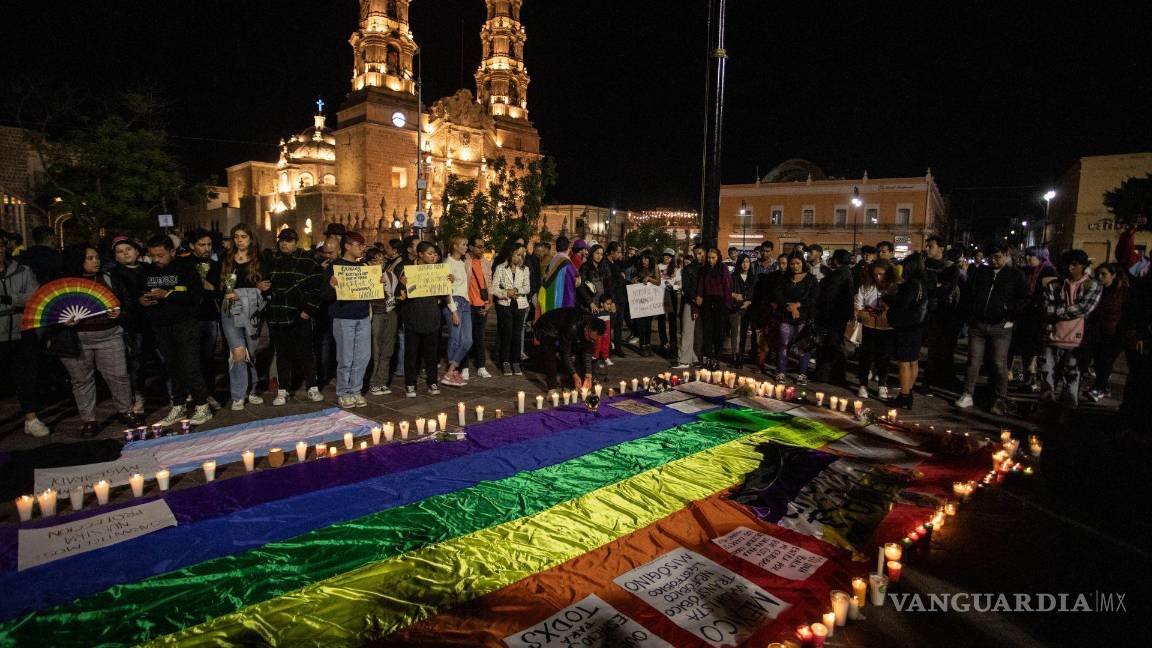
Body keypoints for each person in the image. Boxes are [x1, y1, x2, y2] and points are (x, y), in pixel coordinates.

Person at [58, 244, 139, 436]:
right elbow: (53, 313)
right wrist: (64, 321)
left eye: (97, 257)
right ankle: (89, 419)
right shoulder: (65, 284)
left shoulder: (109, 278)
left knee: (119, 376)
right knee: (81, 380)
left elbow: (128, 305)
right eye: (90, 258)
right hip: (76, 339)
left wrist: (120, 313)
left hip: (110, 335)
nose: (96, 261)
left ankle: (126, 411)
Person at [141, 235, 213, 427]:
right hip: (161, 326)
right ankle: (178, 405)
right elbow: (140, 293)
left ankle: (202, 406)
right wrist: (143, 300)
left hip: (185, 324)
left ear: (172, 252)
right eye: (152, 256)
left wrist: (169, 294)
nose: (156, 259)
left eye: (160, 255)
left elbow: (195, 294)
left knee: (191, 366)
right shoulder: (147, 271)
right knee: (172, 368)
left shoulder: (185, 268)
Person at [954, 244, 1029, 414]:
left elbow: (1023, 299)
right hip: (978, 324)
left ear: (1006, 255)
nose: (994, 261)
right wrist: (971, 312)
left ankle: (1000, 398)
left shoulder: (1015, 275)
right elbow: (969, 294)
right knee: (973, 361)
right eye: (991, 258)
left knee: (999, 363)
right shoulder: (981, 273)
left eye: (998, 257)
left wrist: (1008, 311)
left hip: (1001, 326)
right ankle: (967, 393)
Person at [264, 228, 325, 405]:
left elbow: (316, 287)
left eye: (289, 240)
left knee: (306, 352)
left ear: (295, 242)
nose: (284, 243)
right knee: (282, 354)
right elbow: (264, 283)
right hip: (277, 314)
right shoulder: (272, 260)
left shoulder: (307, 260)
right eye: (282, 240)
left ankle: (312, 387)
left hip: (300, 315)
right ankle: (283, 390)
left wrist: (307, 311)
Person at [1038, 249, 1101, 411]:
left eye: (1075, 265)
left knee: (1072, 378)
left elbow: (1084, 309)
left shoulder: (1092, 285)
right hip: (1052, 336)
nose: (1070, 268)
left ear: (1083, 266)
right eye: (1068, 264)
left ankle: (1068, 412)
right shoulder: (1055, 285)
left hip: (1077, 340)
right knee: (1046, 376)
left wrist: (1060, 310)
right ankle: (1046, 408)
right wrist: (1064, 311)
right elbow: (1047, 309)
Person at [1, 231, 49, 437]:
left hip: (23, 331)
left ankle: (31, 419)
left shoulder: (23, 270)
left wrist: (10, 299)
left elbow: (34, 296)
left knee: (27, 377)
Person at [217, 224, 268, 410]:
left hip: (251, 311)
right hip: (229, 311)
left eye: (244, 236)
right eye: (236, 236)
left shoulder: (259, 260)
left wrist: (241, 293)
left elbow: (264, 287)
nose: (239, 240)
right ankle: (238, 394)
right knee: (238, 352)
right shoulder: (226, 259)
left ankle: (252, 389)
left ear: (251, 239)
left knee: (251, 352)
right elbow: (218, 285)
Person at [324, 231, 374, 408]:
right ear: (347, 246)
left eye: (363, 245)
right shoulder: (335, 267)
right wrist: (331, 287)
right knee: (345, 357)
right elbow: (325, 295)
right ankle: (343, 391)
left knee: (363, 356)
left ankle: (356, 389)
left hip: (362, 316)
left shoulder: (364, 267)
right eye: (358, 245)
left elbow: (371, 292)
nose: (362, 248)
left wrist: (378, 283)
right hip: (343, 317)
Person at [110, 236, 151, 414]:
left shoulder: (149, 269)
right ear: (115, 257)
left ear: (137, 251)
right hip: (133, 323)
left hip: (154, 320)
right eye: (120, 251)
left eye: (129, 249)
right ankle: (138, 396)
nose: (125, 253)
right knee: (136, 362)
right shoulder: (114, 274)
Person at [396, 241, 443, 397]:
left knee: (431, 354)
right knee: (411, 354)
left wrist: (447, 282)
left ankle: (432, 382)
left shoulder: (438, 270)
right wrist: (403, 285)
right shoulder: (407, 269)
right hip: (413, 317)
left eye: (435, 254)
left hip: (432, 316)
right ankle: (410, 384)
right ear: (420, 254)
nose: (433, 257)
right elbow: (398, 295)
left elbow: (442, 294)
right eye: (429, 253)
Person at [885, 252, 929, 409]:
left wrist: (889, 297)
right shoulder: (923, 282)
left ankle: (904, 396)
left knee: (904, 362)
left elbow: (902, 304)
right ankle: (908, 392)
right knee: (913, 361)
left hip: (906, 326)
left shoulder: (910, 285)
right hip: (918, 326)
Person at [1011, 246, 1058, 392]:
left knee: (1035, 348)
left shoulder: (1048, 271)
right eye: (1027, 255)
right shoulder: (1026, 270)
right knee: (1025, 347)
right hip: (1026, 314)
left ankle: (1033, 378)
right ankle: (1027, 376)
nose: (1027, 259)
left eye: (1031, 256)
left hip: (1039, 315)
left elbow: (1050, 294)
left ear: (1041, 257)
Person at [185, 230, 223, 408]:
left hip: (208, 316)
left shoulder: (215, 265)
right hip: (189, 317)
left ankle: (208, 393)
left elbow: (217, 288)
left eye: (209, 245)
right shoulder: (184, 264)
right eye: (202, 244)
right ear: (192, 246)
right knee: (190, 357)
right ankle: (192, 392)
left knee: (208, 358)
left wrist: (209, 286)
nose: (206, 248)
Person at [1084, 263, 1128, 402]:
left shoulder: (1122, 291)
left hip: (1114, 332)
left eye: (1104, 274)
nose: (1100, 277)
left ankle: (1099, 388)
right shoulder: (1098, 289)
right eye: (1099, 274)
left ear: (1113, 275)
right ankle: (1103, 387)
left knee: (1105, 361)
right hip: (1098, 330)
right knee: (1098, 361)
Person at [533, 306, 605, 390]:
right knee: (550, 352)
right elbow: (566, 354)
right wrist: (574, 375)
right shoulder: (571, 327)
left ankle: (572, 381)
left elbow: (587, 352)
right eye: (591, 338)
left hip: (563, 329)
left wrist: (588, 374)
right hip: (545, 327)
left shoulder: (592, 327)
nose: (592, 341)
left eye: (594, 340)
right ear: (587, 329)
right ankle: (552, 387)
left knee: (580, 350)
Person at [855, 258, 896, 399]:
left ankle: (882, 385)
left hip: (887, 327)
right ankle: (863, 384)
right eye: (876, 274)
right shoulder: (866, 287)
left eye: (881, 274)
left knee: (884, 357)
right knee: (866, 356)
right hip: (869, 326)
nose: (878, 277)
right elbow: (858, 304)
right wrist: (864, 313)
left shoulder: (893, 287)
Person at [363, 247, 400, 396]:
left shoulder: (391, 275)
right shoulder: (364, 275)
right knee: (375, 350)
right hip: (375, 316)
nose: (379, 263)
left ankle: (382, 381)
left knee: (387, 349)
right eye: (375, 260)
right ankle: (372, 382)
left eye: (381, 259)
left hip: (390, 314)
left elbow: (397, 294)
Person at [814, 249, 854, 385]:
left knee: (830, 346)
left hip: (832, 317)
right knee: (834, 345)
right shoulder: (846, 273)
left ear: (836, 259)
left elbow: (828, 297)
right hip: (838, 316)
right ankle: (831, 374)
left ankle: (828, 375)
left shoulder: (838, 275)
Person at [439, 237, 473, 387]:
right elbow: (446, 290)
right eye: (463, 244)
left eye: (466, 244)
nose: (466, 247)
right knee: (455, 338)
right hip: (454, 303)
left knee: (467, 340)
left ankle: (451, 370)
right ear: (454, 246)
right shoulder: (447, 263)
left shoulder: (462, 263)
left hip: (465, 303)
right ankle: (451, 372)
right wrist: (453, 310)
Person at [494, 242, 532, 375]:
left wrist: (516, 290)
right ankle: (505, 361)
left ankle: (515, 361)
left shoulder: (525, 269)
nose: (520, 258)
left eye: (522, 255)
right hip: (505, 305)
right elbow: (494, 288)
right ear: (511, 254)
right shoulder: (500, 268)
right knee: (507, 334)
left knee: (517, 334)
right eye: (517, 254)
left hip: (520, 305)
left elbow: (527, 287)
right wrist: (506, 293)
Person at [697, 248, 735, 371]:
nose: (710, 260)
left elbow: (727, 285)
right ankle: (708, 356)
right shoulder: (704, 269)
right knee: (708, 331)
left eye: (713, 257)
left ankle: (716, 358)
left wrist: (727, 304)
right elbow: (701, 284)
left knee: (719, 332)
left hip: (720, 302)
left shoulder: (723, 268)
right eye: (709, 257)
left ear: (718, 257)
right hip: (707, 302)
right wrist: (700, 296)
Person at [463, 235, 493, 379]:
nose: (482, 250)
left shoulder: (486, 263)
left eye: (483, 247)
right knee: (466, 337)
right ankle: (464, 367)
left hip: (482, 304)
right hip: (467, 304)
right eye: (479, 247)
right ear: (471, 247)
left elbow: (489, 283)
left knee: (480, 337)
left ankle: (481, 366)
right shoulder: (464, 262)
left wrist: (489, 302)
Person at [673, 245, 705, 369]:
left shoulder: (706, 268)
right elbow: (686, 288)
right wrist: (695, 299)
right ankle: (684, 359)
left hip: (702, 303)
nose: (698, 256)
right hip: (690, 302)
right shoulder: (688, 269)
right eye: (696, 253)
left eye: (700, 253)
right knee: (687, 330)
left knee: (698, 333)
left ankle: (694, 358)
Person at [628, 252, 662, 356]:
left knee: (648, 324)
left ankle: (648, 345)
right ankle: (642, 346)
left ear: (650, 259)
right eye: (642, 259)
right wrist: (634, 281)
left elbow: (658, 282)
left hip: (650, 299)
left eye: (646, 259)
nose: (644, 261)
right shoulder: (637, 267)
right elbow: (633, 280)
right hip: (639, 299)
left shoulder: (654, 267)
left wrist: (649, 279)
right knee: (640, 323)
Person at [537, 236, 579, 318]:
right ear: (568, 247)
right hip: (564, 300)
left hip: (550, 297)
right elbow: (575, 281)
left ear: (556, 248)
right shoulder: (566, 261)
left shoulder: (553, 259)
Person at [729, 254, 754, 367]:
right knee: (736, 332)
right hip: (735, 308)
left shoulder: (753, 278)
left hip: (749, 309)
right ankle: (735, 355)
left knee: (744, 333)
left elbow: (756, 293)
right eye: (743, 262)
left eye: (748, 262)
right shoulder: (733, 277)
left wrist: (749, 301)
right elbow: (727, 291)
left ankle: (741, 355)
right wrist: (734, 295)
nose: (745, 264)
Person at [656, 248, 681, 357]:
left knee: (672, 319)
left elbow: (679, 283)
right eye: (665, 256)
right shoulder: (658, 266)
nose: (667, 258)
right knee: (661, 319)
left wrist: (673, 286)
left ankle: (673, 342)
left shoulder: (676, 268)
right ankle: (663, 342)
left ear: (672, 258)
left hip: (671, 294)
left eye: (669, 257)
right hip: (660, 294)